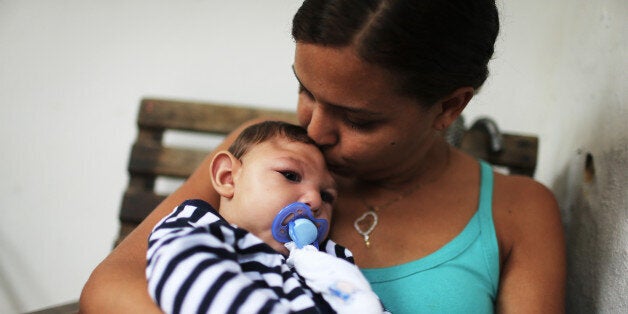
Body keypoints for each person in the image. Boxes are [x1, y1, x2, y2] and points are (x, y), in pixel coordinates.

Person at [80, 1, 566, 313]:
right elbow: (109, 292)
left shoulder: (516, 211)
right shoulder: (262, 158)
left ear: (448, 106)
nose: (313, 130)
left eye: (358, 120)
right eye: (304, 89)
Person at [146, 121, 383, 313]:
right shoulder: (198, 229)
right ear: (228, 177)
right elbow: (191, 276)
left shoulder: (330, 261)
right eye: (290, 175)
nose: (315, 201)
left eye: (327, 195)